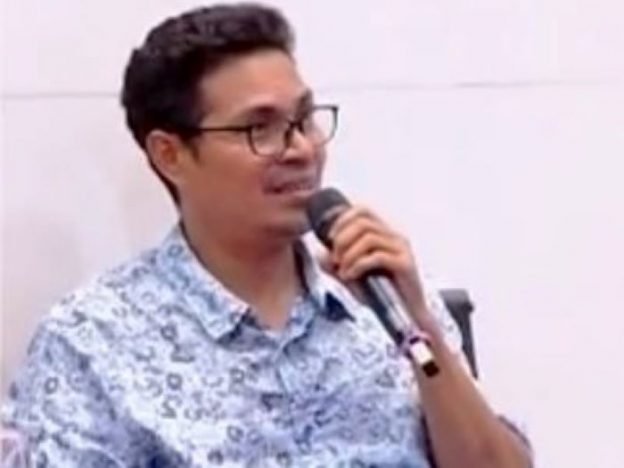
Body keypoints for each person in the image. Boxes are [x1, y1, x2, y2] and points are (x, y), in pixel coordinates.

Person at [1, 4, 532, 467]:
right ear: (171, 155)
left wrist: (419, 332)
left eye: (304, 119)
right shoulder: (93, 341)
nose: (300, 148)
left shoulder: (389, 302)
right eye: (260, 128)